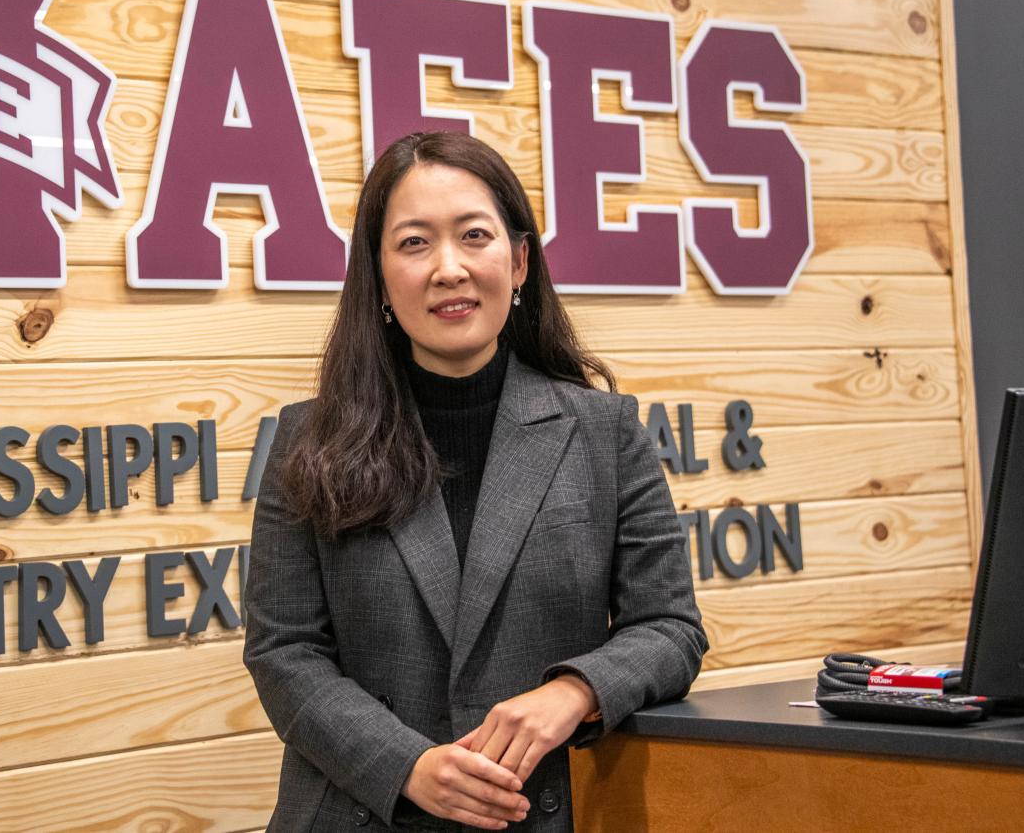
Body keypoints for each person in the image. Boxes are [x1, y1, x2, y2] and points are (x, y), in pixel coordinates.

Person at [243, 131, 706, 831]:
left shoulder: (604, 431)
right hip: (364, 809)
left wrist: (577, 690)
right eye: (414, 242)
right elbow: (284, 651)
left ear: (518, 261)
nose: (449, 267)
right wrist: (405, 765)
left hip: (544, 808)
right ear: (379, 276)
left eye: (474, 235)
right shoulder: (309, 441)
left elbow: (670, 626)